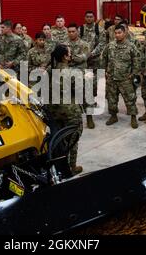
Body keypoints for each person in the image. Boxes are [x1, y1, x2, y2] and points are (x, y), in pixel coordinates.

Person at [46, 44, 84, 176]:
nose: (71, 54)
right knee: (73, 139)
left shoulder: (50, 69)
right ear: (65, 57)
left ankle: (60, 166)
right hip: (70, 111)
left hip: (54, 110)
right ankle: (71, 168)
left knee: (59, 139)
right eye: (69, 53)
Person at [102, 25, 139, 128]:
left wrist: (133, 74)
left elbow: (136, 61)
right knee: (111, 99)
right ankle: (113, 116)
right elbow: (104, 58)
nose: (117, 35)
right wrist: (105, 70)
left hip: (125, 79)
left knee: (130, 99)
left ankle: (133, 118)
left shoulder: (131, 46)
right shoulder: (110, 46)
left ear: (125, 33)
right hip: (112, 78)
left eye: (120, 33)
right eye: (116, 33)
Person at [79, 11, 107, 129]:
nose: (89, 18)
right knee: (86, 85)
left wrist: (92, 53)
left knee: (96, 85)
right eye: (87, 17)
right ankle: (87, 109)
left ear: (94, 18)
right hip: (84, 62)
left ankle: (94, 100)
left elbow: (102, 44)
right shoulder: (80, 29)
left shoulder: (99, 29)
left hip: (96, 62)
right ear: (85, 18)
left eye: (91, 17)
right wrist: (84, 55)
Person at [65, 23, 92, 128]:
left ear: (77, 32)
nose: (71, 33)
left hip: (81, 73)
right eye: (69, 31)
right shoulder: (64, 44)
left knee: (86, 96)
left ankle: (89, 118)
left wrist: (70, 58)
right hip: (67, 74)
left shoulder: (84, 44)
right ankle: (72, 120)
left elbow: (84, 57)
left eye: (73, 31)